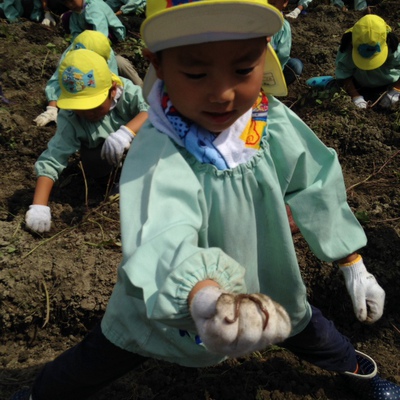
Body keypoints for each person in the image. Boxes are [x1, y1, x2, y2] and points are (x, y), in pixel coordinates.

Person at [12, 1, 400, 399]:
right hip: (176, 291)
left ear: (265, 51)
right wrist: (203, 296)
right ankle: (43, 392)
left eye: (243, 69)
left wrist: (352, 263)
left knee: (296, 319)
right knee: (116, 344)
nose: (223, 93)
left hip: (264, 261)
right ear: (158, 65)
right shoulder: (160, 148)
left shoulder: (266, 121)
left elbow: (314, 182)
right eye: (196, 73)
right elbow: (163, 230)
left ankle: (354, 369)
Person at [25, 49, 149, 233]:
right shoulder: (71, 118)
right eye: (80, 108)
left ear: (113, 90)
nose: (88, 114)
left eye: (95, 107)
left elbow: (152, 109)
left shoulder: (127, 93)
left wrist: (127, 132)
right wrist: (39, 206)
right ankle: (113, 184)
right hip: (103, 161)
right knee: (93, 162)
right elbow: (53, 158)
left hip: (144, 152)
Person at [34, 0, 142, 126]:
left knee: (116, 68)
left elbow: (101, 34)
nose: (70, 4)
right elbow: (75, 36)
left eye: (71, 1)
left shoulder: (94, 8)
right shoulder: (75, 19)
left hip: (104, 40)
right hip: (84, 43)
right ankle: (52, 108)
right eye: (66, 3)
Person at [335, 14, 400, 109]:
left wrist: (396, 89)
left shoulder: (392, 47)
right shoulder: (348, 49)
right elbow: (344, 72)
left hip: (388, 83)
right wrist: (355, 96)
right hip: (359, 85)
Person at [270, 0, 303, 85]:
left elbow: (282, 55)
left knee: (296, 65)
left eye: (273, 3)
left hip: (274, 66)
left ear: (285, 3)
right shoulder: (254, 20)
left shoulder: (284, 26)